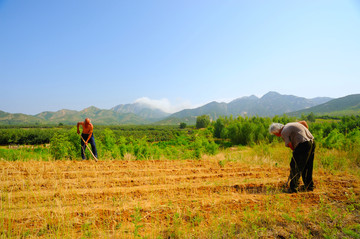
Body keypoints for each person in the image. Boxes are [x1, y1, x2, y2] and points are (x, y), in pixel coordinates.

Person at [269, 121, 315, 193]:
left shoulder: (283, 132)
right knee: (308, 166)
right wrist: (305, 133)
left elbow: (290, 145)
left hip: (303, 144)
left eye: (275, 134)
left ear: (277, 131)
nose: (277, 136)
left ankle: (293, 188)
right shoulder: (289, 124)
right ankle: (309, 186)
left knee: (295, 165)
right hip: (311, 142)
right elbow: (303, 122)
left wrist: (296, 152)